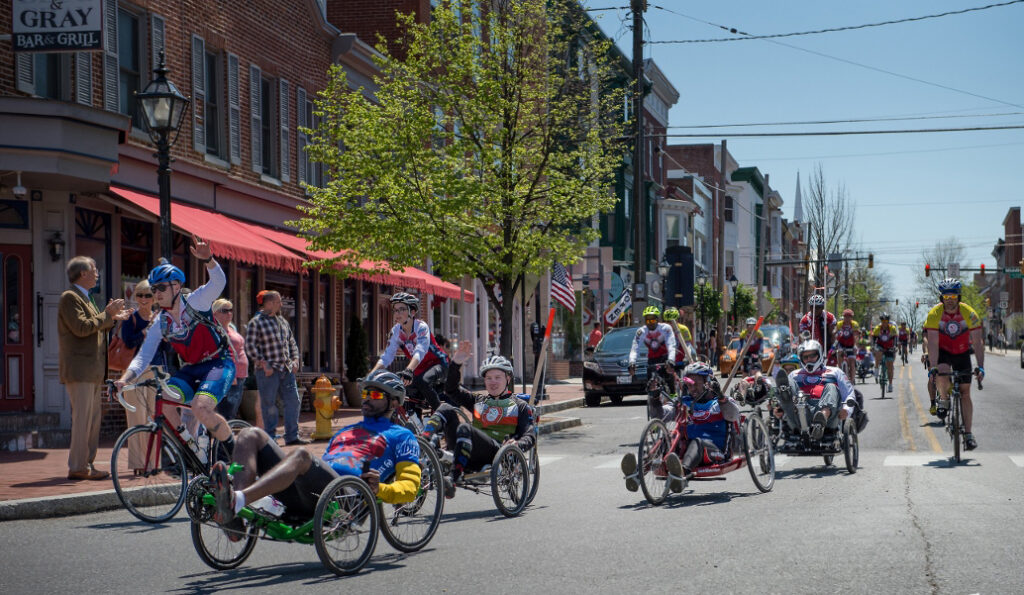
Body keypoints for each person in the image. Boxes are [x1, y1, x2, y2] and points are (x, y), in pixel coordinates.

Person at [210, 370, 422, 539]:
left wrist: (380, 489)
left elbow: (411, 487)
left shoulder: (402, 437)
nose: (366, 399)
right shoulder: (346, 431)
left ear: (394, 402)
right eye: (365, 393)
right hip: (310, 492)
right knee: (249, 434)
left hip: (345, 498)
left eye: (374, 395)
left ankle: (238, 500)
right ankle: (234, 513)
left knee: (302, 455)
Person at [116, 237, 238, 457]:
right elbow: (143, 356)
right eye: (154, 289)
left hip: (219, 362)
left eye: (162, 287)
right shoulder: (160, 322)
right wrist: (124, 379)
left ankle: (235, 451)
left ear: (176, 286)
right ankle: (189, 448)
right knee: (163, 400)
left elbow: (218, 283)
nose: (157, 293)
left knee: (201, 407)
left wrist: (209, 260)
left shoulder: (195, 301)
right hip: (191, 368)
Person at [421, 341, 535, 498]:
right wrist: (456, 364)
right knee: (445, 407)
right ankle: (424, 442)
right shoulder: (480, 401)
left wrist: (517, 444)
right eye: (489, 378)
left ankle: (452, 480)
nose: (492, 382)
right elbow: (451, 390)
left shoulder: (519, 406)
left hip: (494, 454)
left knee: (465, 428)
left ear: (508, 379)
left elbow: (530, 435)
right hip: (464, 447)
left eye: (497, 377)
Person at [620, 362, 739, 494]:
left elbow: (733, 415)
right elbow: (660, 416)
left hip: (716, 453)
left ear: (708, 381)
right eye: (688, 384)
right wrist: (654, 399)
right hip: (687, 451)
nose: (691, 388)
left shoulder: (720, 403)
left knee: (697, 442)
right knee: (668, 437)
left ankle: (681, 475)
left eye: (695, 383)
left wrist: (721, 397)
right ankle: (638, 472)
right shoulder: (685, 402)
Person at [59, 256, 129, 480]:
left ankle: (86, 464)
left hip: (92, 371)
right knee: (83, 420)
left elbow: (95, 327)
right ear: (83, 274)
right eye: (94, 269)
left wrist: (111, 317)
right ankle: (78, 466)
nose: (97, 273)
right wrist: (107, 315)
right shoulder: (70, 297)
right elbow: (81, 328)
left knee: (92, 421)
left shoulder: (86, 298)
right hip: (80, 370)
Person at [924, 278, 984, 450]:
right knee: (942, 373)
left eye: (953, 295)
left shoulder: (969, 313)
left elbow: (978, 343)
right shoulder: (934, 314)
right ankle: (943, 399)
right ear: (941, 297)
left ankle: (968, 434)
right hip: (943, 351)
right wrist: (933, 366)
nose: (949, 299)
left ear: (959, 296)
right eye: (946, 295)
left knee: (965, 393)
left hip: (962, 352)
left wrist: (980, 367)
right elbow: (933, 343)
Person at [245, 290, 309, 446]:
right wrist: (263, 363)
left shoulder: (282, 321)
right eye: (278, 301)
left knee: (293, 401)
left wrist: (295, 360)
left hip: (286, 370)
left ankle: (292, 436)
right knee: (269, 405)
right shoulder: (256, 322)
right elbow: (250, 347)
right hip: (268, 371)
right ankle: (270, 439)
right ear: (269, 303)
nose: (281, 304)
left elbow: (292, 343)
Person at [371, 292, 449, 411]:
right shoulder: (396, 331)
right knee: (397, 385)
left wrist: (409, 370)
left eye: (401, 309)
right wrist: (371, 374)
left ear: (412, 312)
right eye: (395, 310)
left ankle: (441, 415)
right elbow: (387, 356)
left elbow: (420, 350)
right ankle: (414, 422)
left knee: (423, 381)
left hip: (438, 363)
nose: (397, 314)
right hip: (418, 368)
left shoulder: (421, 327)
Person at [119, 280, 164, 473]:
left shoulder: (161, 318)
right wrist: (146, 331)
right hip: (135, 371)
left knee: (155, 417)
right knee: (136, 417)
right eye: (139, 295)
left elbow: (168, 346)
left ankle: (154, 463)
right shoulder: (131, 319)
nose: (143, 299)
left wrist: (159, 330)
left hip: (157, 369)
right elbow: (129, 343)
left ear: (154, 298)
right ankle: (138, 463)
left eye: (147, 295)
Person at [776, 340, 856, 443]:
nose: (809, 359)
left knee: (831, 386)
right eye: (805, 357)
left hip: (828, 417)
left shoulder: (835, 372)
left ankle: (821, 421)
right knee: (788, 383)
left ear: (820, 354)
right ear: (801, 359)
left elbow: (849, 394)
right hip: (800, 413)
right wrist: (778, 408)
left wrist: (846, 410)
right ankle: (784, 398)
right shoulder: (794, 374)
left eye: (813, 355)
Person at [212, 299, 250, 421]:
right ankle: (224, 439)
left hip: (240, 375)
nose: (229, 313)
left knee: (231, 413)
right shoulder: (215, 330)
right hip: (229, 376)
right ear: (215, 313)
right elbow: (221, 355)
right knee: (226, 413)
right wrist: (231, 376)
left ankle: (225, 438)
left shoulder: (231, 327)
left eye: (230, 310)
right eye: (224, 311)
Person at [628, 306, 677, 395]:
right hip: (652, 360)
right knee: (651, 385)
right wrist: (632, 362)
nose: (650, 323)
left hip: (665, 358)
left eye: (652, 320)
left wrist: (671, 360)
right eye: (648, 320)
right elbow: (634, 349)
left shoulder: (665, 328)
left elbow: (671, 345)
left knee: (669, 378)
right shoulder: (641, 331)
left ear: (657, 320)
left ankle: (673, 396)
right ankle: (653, 402)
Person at [870, 313, 898, 392]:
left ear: (888, 321)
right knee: (878, 353)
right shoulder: (877, 328)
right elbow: (873, 339)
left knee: (890, 366)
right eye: (883, 321)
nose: (884, 322)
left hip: (889, 347)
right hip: (880, 346)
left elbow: (895, 340)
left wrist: (895, 347)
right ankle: (876, 369)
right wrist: (872, 347)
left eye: (886, 321)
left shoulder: (892, 328)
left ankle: (890, 384)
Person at [835, 309, 860, 379]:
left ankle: (852, 381)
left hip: (851, 344)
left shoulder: (854, 324)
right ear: (843, 317)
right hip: (841, 344)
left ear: (852, 318)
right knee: (839, 354)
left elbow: (856, 336)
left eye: (849, 316)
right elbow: (835, 333)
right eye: (845, 316)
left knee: (852, 363)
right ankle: (840, 373)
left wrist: (855, 345)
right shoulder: (839, 324)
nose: (847, 318)